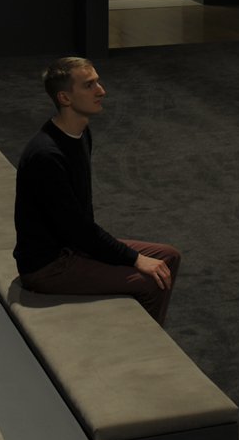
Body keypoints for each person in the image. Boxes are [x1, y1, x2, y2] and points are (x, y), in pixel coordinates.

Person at [13, 57, 180, 324]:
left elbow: (81, 221)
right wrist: (133, 259)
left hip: (73, 247)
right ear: (65, 98)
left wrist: (118, 255)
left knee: (168, 257)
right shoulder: (46, 155)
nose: (101, 91)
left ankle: (146, 330)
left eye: (98, 82)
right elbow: (76, 229)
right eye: (89, 85)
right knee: (149, 281)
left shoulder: (81, 135)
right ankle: (140, 342)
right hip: (48, 266)